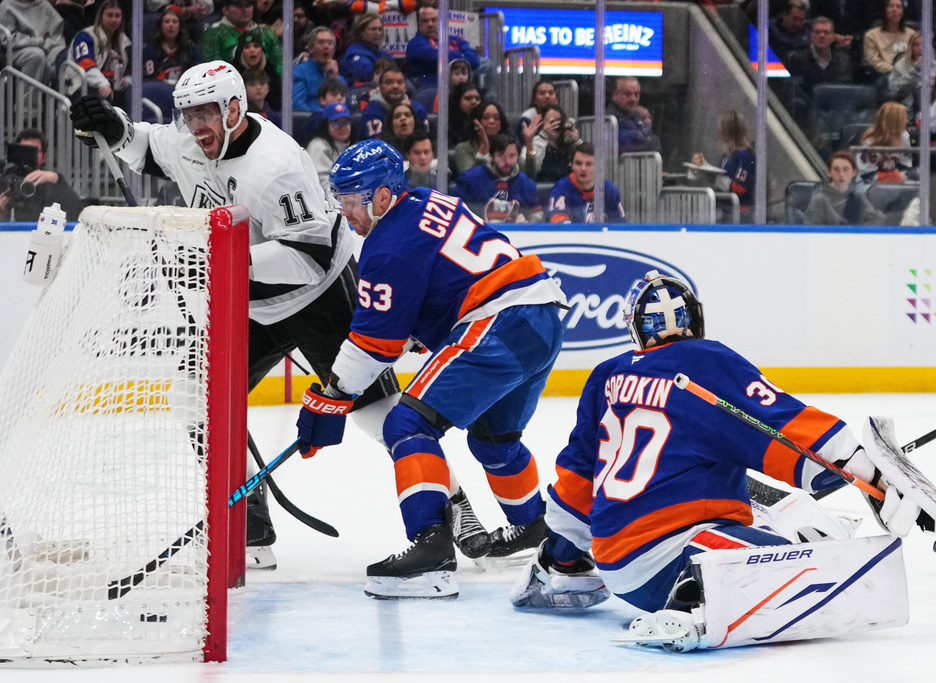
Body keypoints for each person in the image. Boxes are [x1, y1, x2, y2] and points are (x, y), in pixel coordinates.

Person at [68, 61, 402, 572]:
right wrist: (113, 125)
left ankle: (450, 509)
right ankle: (249, 529)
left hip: (320, 298)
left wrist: (212, 260)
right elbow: (147, 147)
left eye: (205, 112)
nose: (195, 124)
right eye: (187, 113)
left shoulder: (278, 167)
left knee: (377, 418)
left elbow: (306, 260)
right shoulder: (192, 143)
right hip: (249, 305)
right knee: (201, 403)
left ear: (233, 109)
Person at [510, 269, 933, 652]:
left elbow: (579, 478)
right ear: (695, 320)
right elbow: (781, 423)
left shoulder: (606, 376)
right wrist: (865, 471)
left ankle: (729, 569)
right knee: (826, 571)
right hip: (678, 555)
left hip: (618, 565)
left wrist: (560, 556)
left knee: (765, 502)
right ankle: (697, 591)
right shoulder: (705, 361)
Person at [294, 139, 567, 599]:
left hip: (499, 322)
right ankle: (534, 529)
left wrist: (334, 395)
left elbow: (374, 344)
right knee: (493, 438)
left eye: (351, 200)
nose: (345, 212)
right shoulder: (424, 201)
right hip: (541, 316)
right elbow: (426, 301)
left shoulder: (387, 247)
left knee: (406, 421)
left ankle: (431, 551)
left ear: (383, 196)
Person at [0, 128, 84, 222]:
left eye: (33, 151)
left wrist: (57, 180)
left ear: (43, 157)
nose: (27, 156)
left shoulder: (50, 183)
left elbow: (77, 209)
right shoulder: (7, 179)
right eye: (23, 150)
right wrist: (1, 212)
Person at [454, 133, 542, 223]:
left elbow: (536, 214)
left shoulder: (525, 182)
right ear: (492, 156)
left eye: (512, 156)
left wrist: (526, 224)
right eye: (501, 155)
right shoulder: (470, 178)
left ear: (518, 157)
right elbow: (456, 210)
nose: (507, 161)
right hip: (479, 234)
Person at [691, 109, 757, 217]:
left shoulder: (746, 155)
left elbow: (739, 187)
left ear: (728, 132)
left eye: (721, 129)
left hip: (739, 213)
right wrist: (704, 167)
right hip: (725, 209)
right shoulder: (727, 155)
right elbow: (722, 175)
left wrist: (715, 178)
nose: (718, 131)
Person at [143, 8, 201, 123]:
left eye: (175, 22)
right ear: (160, 25)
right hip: (158, 96)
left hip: (184, 97)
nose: (171, 25)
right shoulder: (150, 49)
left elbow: (196, 77)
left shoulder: (190, 49)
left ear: (180, 26)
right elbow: (148, 79)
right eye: (167, 21)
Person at [69, 0, 131, 107]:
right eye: (109, 15)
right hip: (83, 86)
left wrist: (128, 80)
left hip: (112, 87)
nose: (114, 19)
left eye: (117, 16)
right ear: (101, 16)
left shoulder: (125, 41)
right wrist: (103, 83)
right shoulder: (85, 36)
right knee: (103, 98)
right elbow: (86, 65)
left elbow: (130, 71)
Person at [546, 143, 626, 224]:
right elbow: (559, 223)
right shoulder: (562, 188)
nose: (583, 168)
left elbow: (620, 223)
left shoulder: (609, 189)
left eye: (589, 164)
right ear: (572, 166)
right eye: (578, 163)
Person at [404, 7, 479, 90]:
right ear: (419, 25)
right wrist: (460, 54)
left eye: (434, 20)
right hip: (429, 87)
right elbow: (436, 57)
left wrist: (450, 55)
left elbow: (475, 60)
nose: (430, 24)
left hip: (457, 86)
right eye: (425, 21)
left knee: (486, 65)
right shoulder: (415, 43)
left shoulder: (456, 40)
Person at [200, 0, 281, 74]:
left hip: (266, 86)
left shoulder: (266, 33)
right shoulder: (213, 34)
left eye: (248, 5)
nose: (245, 10)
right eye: (238, 6)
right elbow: (213, 71)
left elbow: (280, 66)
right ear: (225, 9)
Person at [0, 0, 67, 86]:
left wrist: (47, 46)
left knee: (62, 54)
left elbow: (56, 35)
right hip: (17, 50)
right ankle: (28, 98)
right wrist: (36, 42)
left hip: (47, 46)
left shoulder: (43, 4)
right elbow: (7, 39)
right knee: (37, 55)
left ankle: (60, 95)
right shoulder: (6, 5)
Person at [804, 151, 882, 225]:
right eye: (836, 169)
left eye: (846, 169)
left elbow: (873, 219)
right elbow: (812, 230)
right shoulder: (819, 199)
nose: (841, 174)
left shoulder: (857, 198)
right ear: (829, 172)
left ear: (854, 172)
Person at [359, 66, 429, 140]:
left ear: (405, 87)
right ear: (380, 86)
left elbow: (424, 142)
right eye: (389, 82)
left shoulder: (417, 109)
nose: (395, 86)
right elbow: (376, 147)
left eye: (400, 82)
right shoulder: (371, 112)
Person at [884, 33, 936, 117]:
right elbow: (895, 92)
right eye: (916, 45)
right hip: (904, 114)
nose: (921, 48)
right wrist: (915, 71)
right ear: (910, 48)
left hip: (932, 115)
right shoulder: (900, 66)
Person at [855, 101, 912, 184]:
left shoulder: (904, 136)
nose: (907, 121)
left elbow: (905, 166)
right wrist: (894, 176)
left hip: (895, 183)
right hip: (869, 185)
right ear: (894, 121)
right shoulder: (870, 143)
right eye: (903, 118)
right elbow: (867, 175)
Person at [523, 104, 581, 184]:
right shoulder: (536, 143)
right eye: (552, 122)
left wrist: (577, 142)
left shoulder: (568, 146)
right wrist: (544, 136)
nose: (556, 125)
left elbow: (587, 166)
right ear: (542, 124)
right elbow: (530, 171)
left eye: (559, 121)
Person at [293, 27, 347, 112]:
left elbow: (344, 105)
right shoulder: (298, 72)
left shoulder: (340, 79)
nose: (326, 46)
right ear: (311, 48)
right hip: (311, 120)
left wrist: (334, 79)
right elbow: (297, 104)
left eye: (330, 43)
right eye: (321, 42)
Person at [306, 102, 356, 194]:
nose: (341, 128)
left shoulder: (356, 147)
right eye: (336, 123)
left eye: (345, 123)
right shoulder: (318, 147)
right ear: (326, 125)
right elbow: (323, 187)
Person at [605, 76, 662, 155]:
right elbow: (636, 142)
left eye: (636, 94)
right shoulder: (612, 117)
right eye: (627, 94)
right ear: (616, 94)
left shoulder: (633, 115)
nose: (633, 99)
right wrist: (653, 140)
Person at [863, 0, 916, 81]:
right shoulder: (871, 35)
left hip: (910, 74)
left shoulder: (912, 34)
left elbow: (917, 57)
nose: (895, 10)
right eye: (891, 6)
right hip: (884, 75)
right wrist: (895, 70)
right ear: (884, 10)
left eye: (898, 7)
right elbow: (874, 61)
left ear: (903, 12)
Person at [453, 100, 509, 175]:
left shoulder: (509, 147)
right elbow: (470, 180)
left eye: (497, 118)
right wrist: (484, 147)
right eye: (486, 117)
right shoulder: (463, 148)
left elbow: (525, 175)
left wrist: (528, 145)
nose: (492, 121)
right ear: (476, 121)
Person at [340, 14, 392, 86]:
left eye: (380, 29)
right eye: (373, 29)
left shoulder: (383, 54)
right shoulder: (353, 53)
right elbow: (368, 74)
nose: (378, 33)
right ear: (361, 32)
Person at [517, 80, 558, 149]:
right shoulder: (527, 119)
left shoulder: (561, 117)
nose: (547, 96)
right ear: (534, 99)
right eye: (542, 93)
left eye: (551, 93)